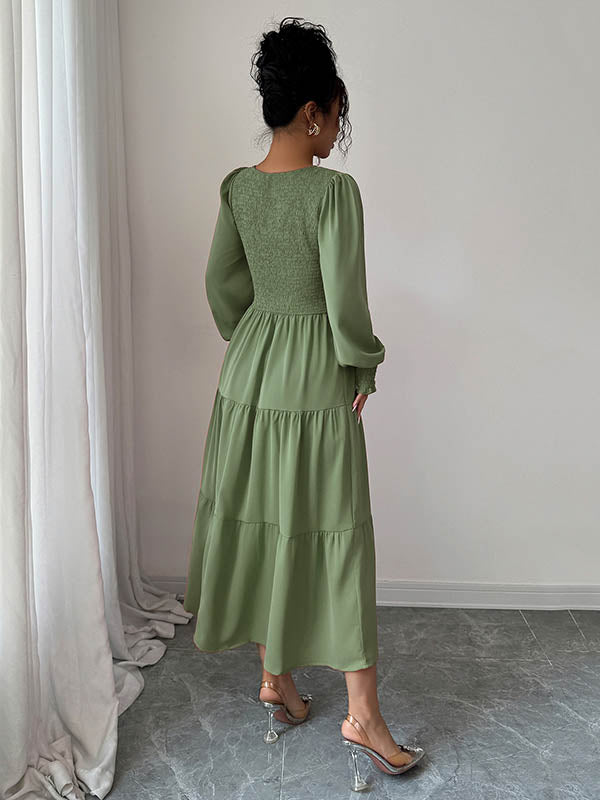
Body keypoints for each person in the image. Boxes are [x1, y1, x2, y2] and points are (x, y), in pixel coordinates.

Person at [183, 16, 424, 788]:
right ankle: (364, 717)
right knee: (335, 536)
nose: (336, 128)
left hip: (247, 379)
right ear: (314, 110)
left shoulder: (239, 188)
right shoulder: (333, 193)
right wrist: (362, 366)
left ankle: (276, 681)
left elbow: (222, 286)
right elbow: (346, 306)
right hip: (316, 379)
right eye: (336, 112)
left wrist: (256, 337)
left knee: (266, 525)